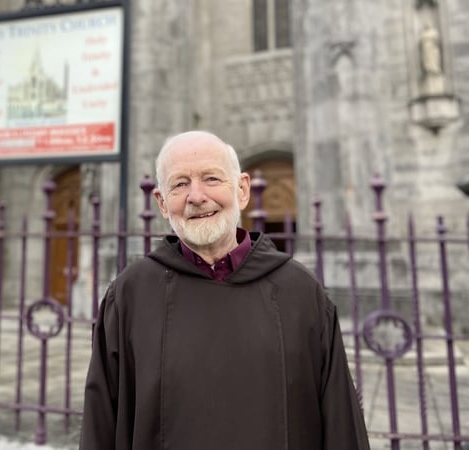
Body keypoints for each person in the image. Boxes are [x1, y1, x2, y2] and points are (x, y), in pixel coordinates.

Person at [80, 131, 369, 449]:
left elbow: (340, 423)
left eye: (211, 178)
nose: (196, 196)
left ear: (242, 190)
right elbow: (101, 424)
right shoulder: (129, 295)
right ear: (162, 203)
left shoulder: (300, 293)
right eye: (179, 184)